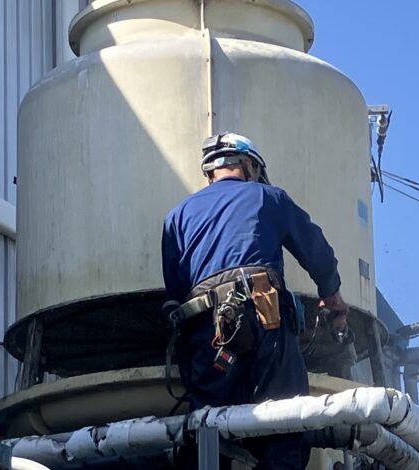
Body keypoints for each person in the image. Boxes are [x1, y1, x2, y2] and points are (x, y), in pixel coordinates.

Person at [161, 132, 347, 469]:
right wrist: (333, 298)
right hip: (265, 320)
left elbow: (173, 297)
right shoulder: (268, 198)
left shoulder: (176, 217)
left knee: (205, 428)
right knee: (286, 422)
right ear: (249, 165)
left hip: (209, 335)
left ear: (209, 172)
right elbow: (316, 250)